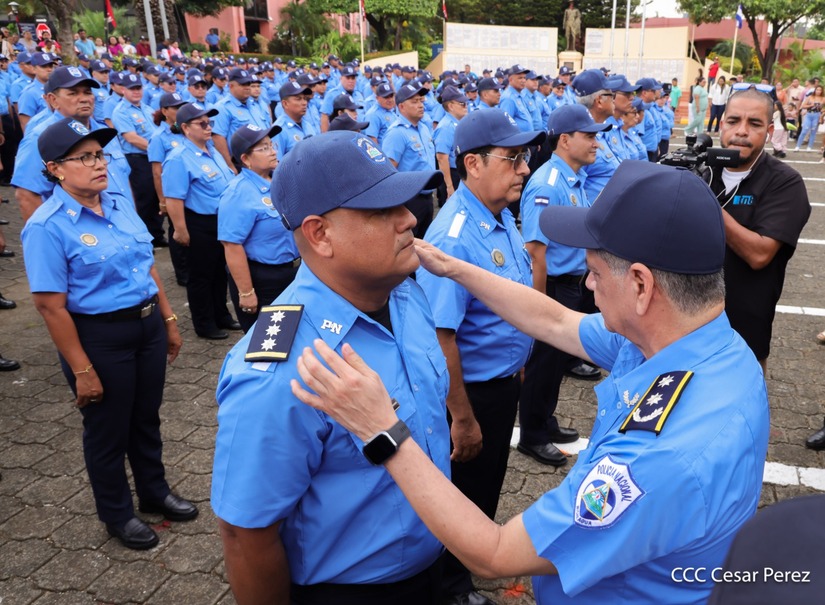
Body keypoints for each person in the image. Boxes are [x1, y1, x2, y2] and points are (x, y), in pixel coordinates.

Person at [290, 160, 770, 605]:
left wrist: (382, 429)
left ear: (642, 286)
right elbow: (558, 322)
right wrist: (455, 268)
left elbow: (495, 553)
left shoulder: (656, 458)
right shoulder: (694, 342)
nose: (586, 285)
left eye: (596, 272)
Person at [211, 131, 447, 605]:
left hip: (434, 561)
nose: (409, 219)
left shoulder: (403, 292)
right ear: (320, 234)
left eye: (405, 202)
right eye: (383, 211)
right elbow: (246, 534)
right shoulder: (282, 368)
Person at [21, 118, 198, 550]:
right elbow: (50, 305)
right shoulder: (47, 226)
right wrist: (82, 368)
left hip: (146, 326)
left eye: (99, 154)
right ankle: (117, 513)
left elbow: (146, 266)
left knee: (145, 417)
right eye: (84, 157)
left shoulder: (117, 203)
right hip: (99, 338)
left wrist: (169, 321)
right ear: (56, 169)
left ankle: (154, 492)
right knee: (107, 430)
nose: (99, 164)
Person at [417, 109, 542, 605]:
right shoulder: (454, 235)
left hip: (501, 381)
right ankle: (449, 587)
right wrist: (462, 417)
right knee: (464, 494)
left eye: (524, 157)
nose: (524, 169)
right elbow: (441, 337)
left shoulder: (498, 216)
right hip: (473, 394)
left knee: (486, 483)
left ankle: (466, 568)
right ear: (472, 163)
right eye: (513, 159)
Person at [517, 104, 608, 471]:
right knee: (542, 363)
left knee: (555, 364)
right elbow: (536, 252)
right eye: (588, 136)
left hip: (570, 284)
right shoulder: (546, 185)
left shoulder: (571, 178)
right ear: (565, 140)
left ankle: (545, 420)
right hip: (551, 286)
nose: (596, 143)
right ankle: (532, 435)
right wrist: (538, 309)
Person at [711, 85, 810, 372]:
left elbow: (760, 254)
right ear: (721, 124)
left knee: (740, 409)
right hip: (682, 322)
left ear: (768, 132)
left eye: (753, 124)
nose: (741, 131)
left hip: (744, 327)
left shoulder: (785, 182)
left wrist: (705, 204)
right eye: (733, 121)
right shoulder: (702, 169)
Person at [161, 102, 239, 340]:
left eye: (210, 123)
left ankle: (221, 315)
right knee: (201, 276)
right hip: (198, 223)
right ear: (185, 128)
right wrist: (180, 230)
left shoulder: (211, 149)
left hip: (220, 221)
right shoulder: (178, 158)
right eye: (202, 123)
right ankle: (204, 323)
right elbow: (174, 198)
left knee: (219, 272)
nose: (208, 128)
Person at [218, 124, 301, 333]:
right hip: (265, 280)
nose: (273, 151)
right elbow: (232, 245)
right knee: (269, 346)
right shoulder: (238, 193)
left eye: (271, 145)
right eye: (263, 148)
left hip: (294, 272)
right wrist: (246, 292)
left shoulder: (278, 179)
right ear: (245, 159)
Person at [112, 73, 165, 246]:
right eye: (132, 89)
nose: (136, 92)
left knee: (157, 196)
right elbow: (132, 138)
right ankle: (146, 237)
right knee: (145, 198)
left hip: (154, 157)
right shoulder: (120, 112)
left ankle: (157, 235)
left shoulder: (147, 109)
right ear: (123, 90)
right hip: (138, 159)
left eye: (138, 88)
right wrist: (157, 149)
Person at [382, 79, 436, 238]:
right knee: (410, 243)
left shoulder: (424, 128)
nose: (420, 105)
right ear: (401, 107)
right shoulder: (396, 133)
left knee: (426, 243)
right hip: (409, 200)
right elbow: (388, 171)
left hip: (427, 197)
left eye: (421, 101)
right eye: (414, 102)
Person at [148, 92, 189, 287]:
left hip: (189, 189)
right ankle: (182, 272)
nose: (180, 111)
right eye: (176, 107)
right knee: (176, 230)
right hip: (172, 191)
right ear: (165, 111)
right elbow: (157, 172)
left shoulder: (184, 131)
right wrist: (162, 200)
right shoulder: (158, 137)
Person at [212, 68, 270, 172]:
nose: (247, 87)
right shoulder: (222, 107)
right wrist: (230, 166)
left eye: (248, 84)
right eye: (243, 84)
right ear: (231, 86)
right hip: (244, 164)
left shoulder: (254, 105)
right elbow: (218, 138)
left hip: (264, 159)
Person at [433, 85, 468, 199]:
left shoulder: (457, 123)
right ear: (451, 106)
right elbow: (442, 158)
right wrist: (449, 186)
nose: (466, 106)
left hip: (461, 172)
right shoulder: (446, 127)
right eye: (462, 104)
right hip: (452, 174)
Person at [273, 80, 312, 157]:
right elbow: (277, 165)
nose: (304, 103)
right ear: (285, 104)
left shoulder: (307, 124)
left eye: (304, 98)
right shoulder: (279, 130)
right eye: (298, 99)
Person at [794, 83, 824, 151]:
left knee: (813, 131)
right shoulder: (810, 97)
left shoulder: (823, 98)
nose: (818, 91)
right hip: (809, 114)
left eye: (820, 90)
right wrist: (810, 105)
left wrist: (822, 111)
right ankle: (798, 146)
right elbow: (803, 106)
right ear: (815, 90)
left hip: (817, 115)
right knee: (804, 130)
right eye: (817, 90)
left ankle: (809, 147)